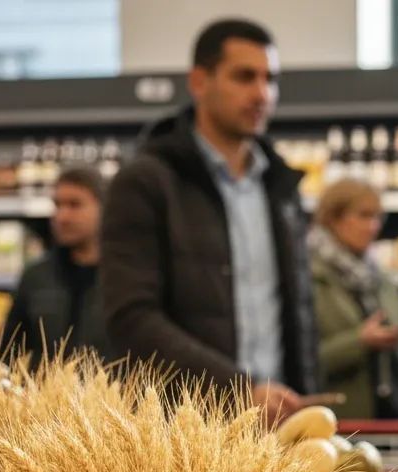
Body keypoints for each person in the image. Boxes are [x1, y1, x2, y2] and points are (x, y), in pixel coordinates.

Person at [101, 18, 316, 421]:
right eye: (244, 77)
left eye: (270, 79)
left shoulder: (281, 188)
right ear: (200, 82)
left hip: (279, 423)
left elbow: (298, 315)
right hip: (185, 431)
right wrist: (237, 390)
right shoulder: (146, 182)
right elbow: (131, 319)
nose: (262, 94)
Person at [309, 179, 398, 419]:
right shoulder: (309, 275)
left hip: (385, 414)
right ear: (332, 218)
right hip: (334, 420)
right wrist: (359, 341)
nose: (373, 226)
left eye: (377, 217)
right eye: (364, 216)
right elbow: (302, 360)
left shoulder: (377, 275)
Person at [3, 165, 107, 365]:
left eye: (75, 205)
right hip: (41, 395)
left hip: (108, 394)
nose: (62, 217)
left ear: (104, 208)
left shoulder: (126, 279)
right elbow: (9, 355)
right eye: (57, 205)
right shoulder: (34, 277)